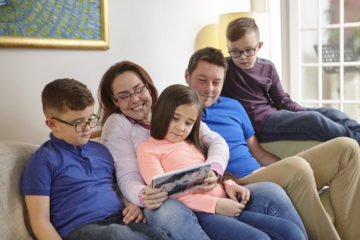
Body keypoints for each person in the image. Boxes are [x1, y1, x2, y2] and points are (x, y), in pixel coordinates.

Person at [97, 61, 307, 240]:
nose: (134, 99)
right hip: (168, 200)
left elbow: (213, 144)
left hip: (215, 192)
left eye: (138, 89)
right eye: (124, 96)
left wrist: (220, 176)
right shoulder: (129, 132)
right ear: (114, 101)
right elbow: (128, 177)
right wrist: (142, 196)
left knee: (281, 212)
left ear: (148, 87)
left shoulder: (177, 116)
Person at [185, 47, 360, 240]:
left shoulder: (233, 106)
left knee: (347, 148)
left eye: (216, 82)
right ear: (187, 76)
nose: (209, 88)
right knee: (296, 166)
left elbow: (258, 153)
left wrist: (286, 169)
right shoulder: (180, 116)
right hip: (236, 184)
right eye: (202, 80)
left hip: (261, 173)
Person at [20, 78, 171, 240]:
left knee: (159, 234)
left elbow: (116, 189)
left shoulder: (101, 151)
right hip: (81, 229)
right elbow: (39, 220)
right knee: (118, 235)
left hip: (120, 220)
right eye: (78, 123)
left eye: (91, 119)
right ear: (52, 124)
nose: (88, 128)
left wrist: (129, 204)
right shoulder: (43, 160)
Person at [221, 17, 360, 145]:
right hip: (260, 125)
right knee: (315, 120)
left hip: (275, 113)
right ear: (228, 48)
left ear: (259, 46)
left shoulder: (268, 67)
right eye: (235, 52)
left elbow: (282, 100)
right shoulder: (224, 69)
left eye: (248, 50)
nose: (242, 57)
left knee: (330, 113)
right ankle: (355, 142)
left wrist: (301, 111)